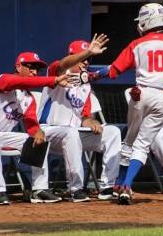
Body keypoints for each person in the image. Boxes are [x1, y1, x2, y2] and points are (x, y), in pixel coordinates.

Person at [92, 3, 163, 204]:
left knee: (130, 140)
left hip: (140, 94)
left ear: (146, 21)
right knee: (142, 144)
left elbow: (113, 70)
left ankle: (121, 182)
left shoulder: (137, 44)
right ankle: (126, 186)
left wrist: (93, 75)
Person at [0, 51, 71, 205]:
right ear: (18, 66)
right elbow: (21, 83)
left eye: (37, 69)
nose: (34, 72)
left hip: (3, 135)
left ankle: (39, 189)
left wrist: (38, 133)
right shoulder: (3, 80)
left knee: (38, 141)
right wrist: (54, 80)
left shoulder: (29, 99)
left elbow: (32, 124)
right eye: (30, 67)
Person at [38, 35, 122, 202]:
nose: (86, 62)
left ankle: (107, 186)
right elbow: (63, 64)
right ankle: (75, 188)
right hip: (48, 132)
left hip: (74, 135)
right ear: (73, 56)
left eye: (89, 58)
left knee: (112, 132)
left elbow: (85, 116)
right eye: (83, 57)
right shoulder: (58, 72)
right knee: (70, 133)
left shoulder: (85, 85)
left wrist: (91, 121)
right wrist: (87, 51)